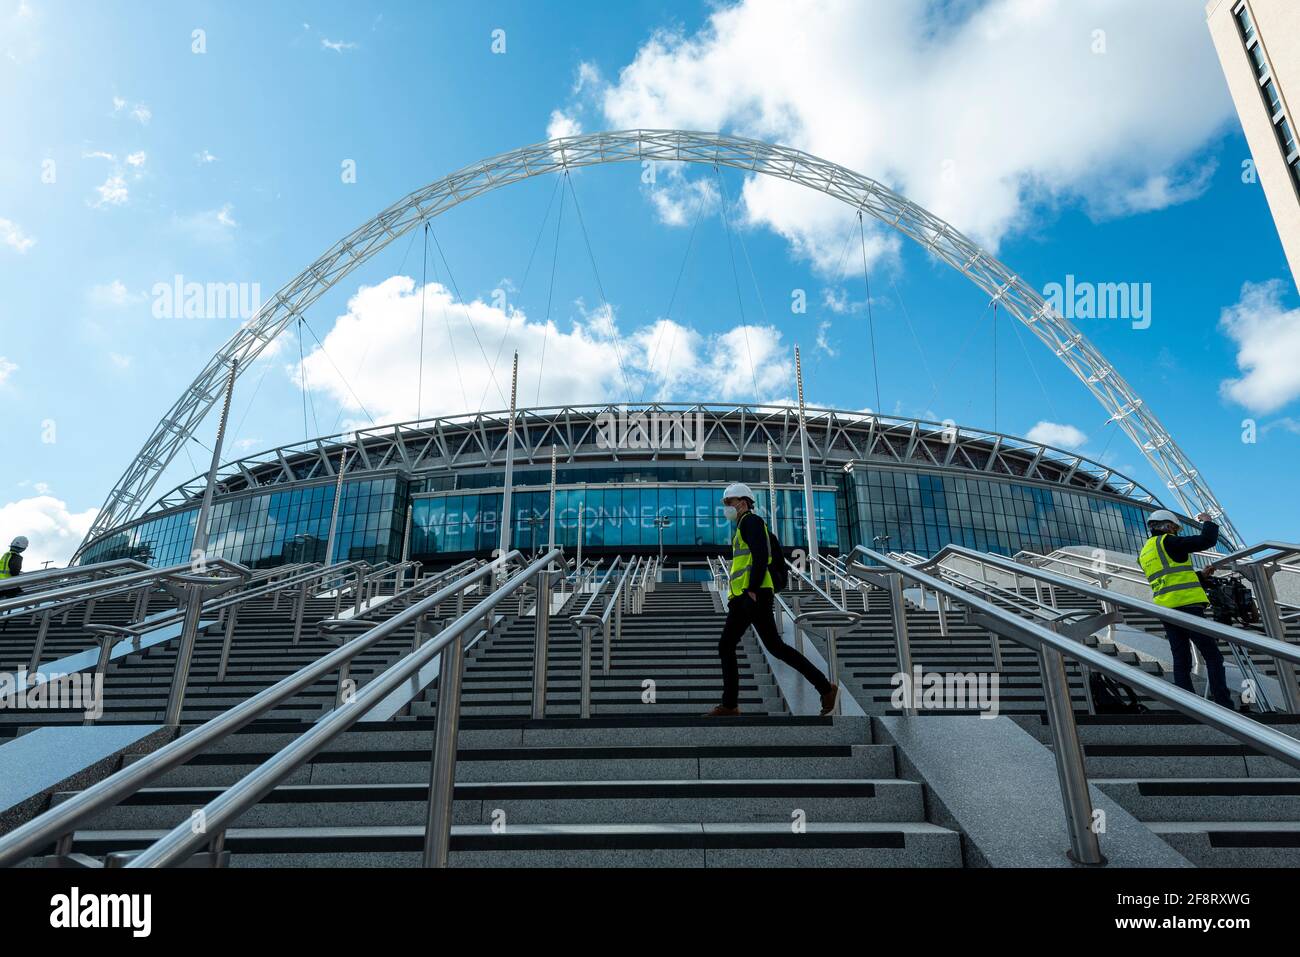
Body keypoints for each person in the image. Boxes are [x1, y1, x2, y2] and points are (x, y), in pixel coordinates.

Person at [706, 483, 838, 717]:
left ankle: (730, 705)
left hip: (752, 595)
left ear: (743, 502)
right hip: (748, 595)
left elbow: (760, 555)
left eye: (729, 503)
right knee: (774, 647)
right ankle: (825, 687)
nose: (726, 508)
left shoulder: (751, 522)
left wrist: (752, 590)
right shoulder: (743, 526)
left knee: (727, 645)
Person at [1137, 510, 1233, 708]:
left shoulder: (1145, 551)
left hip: (1166, 610)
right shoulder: (1169, 542)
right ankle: (1224, 704)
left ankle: (1187, 706)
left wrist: (1200, 577)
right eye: (1174, 527)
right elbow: (1207, 540)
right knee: (1213, 656)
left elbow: (1170, 577)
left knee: (1181, 659)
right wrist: (1208, 521)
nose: (1175, 531)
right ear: (1166, 525)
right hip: (1188, 607)